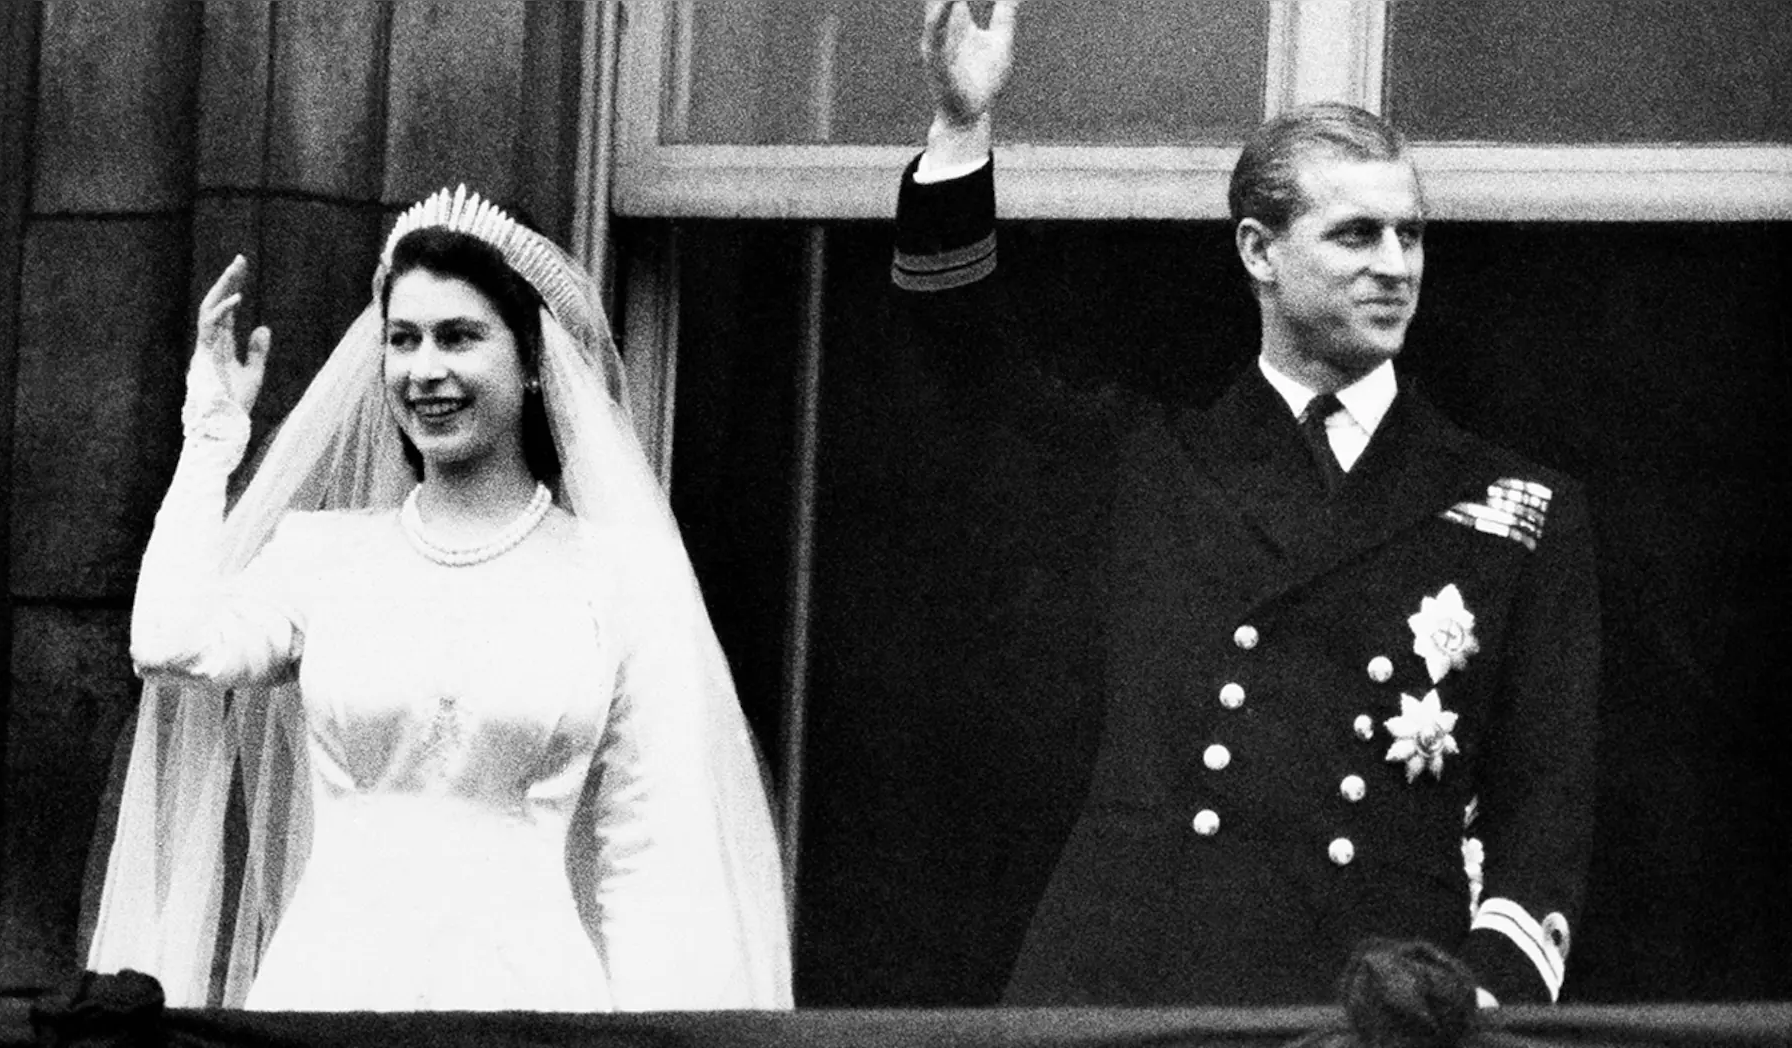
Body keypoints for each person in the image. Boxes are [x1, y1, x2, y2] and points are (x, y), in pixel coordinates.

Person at [888, 3, 1599, 1006]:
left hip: (1376, 1003)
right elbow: (966, 367)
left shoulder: (1512, 505)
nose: (1393, 266)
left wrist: (1481, 993)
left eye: (1409, 235)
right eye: (1354, 235)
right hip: (1142, 990)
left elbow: (1544, 802)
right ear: (1258, 252)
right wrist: (961, 130)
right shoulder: (1150, 464)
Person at [86, 187, 792, 1011]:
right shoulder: (326, 557)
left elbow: (648, 851)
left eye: (459, 337)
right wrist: (211, 438)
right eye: (403, 340)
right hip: (326, 997)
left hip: (530, 1009)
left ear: (531, 361)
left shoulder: (619, 578)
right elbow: (168, 642)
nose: (426, 371)